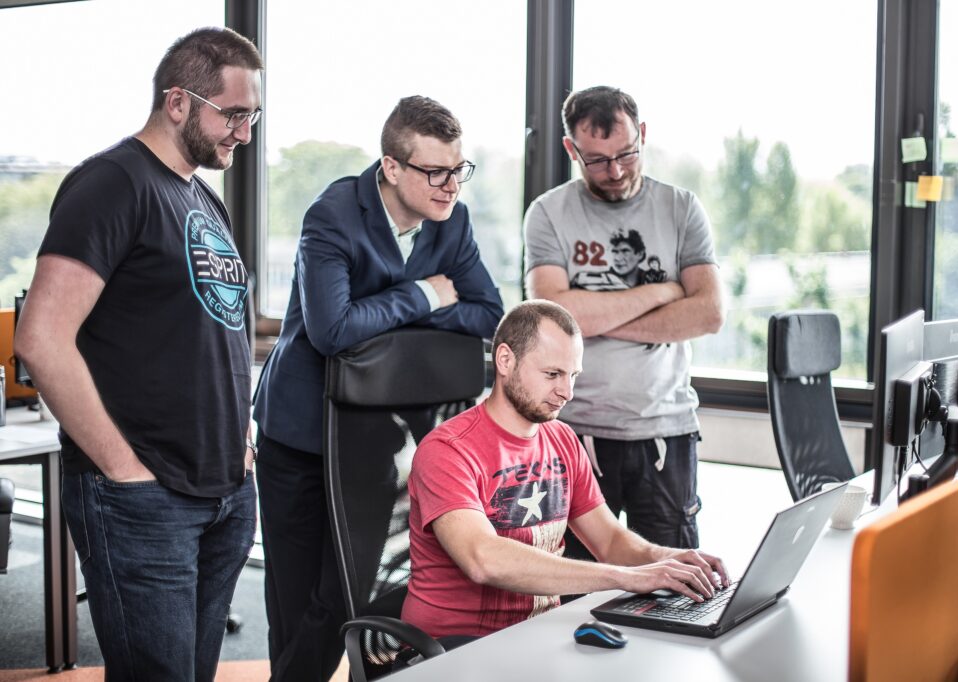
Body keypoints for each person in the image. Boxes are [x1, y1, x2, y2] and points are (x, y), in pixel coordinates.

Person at [14, 27, 263, 681]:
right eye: (233, 114)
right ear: (177, 102)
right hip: (144, 498)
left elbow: (216, 331)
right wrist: (123, 469)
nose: (244, 132)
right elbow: (41, 337)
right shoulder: (111, 183)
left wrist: (239, 448)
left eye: (253, 116)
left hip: (223, 491)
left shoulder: (202, 198)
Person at [252, 95, 504, 680]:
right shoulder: (333, 214)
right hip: (300, 431)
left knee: (349, 591)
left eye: (458, 170)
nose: (450, 186)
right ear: (391, 166)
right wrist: (424, 295)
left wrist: (384, 316)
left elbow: (488, 313)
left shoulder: (452, 220)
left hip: (379, 438)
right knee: (295, 599)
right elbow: (332, 331)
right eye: (435, 172)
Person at [402, 301, 729, 640]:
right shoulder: (448, 449)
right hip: (456, 649)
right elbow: (482, 559)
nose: (567, 392)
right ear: (505, 360)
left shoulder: (562, 439)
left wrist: (668, 560)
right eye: (552, 374)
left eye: (573, 375)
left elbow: (610, 541)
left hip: (538, 637)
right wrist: (627, 578)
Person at [524, 85, 725, 557]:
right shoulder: (548, 213)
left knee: (674, 581)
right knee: (574, 583)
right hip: (575, 432)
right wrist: (662, 293)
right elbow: (552, 316)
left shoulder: (681, 208)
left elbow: (709, 313)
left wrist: (591, 316)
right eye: (596, 160)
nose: (615, 171)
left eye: (626, 154)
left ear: (643, 135)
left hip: (665, 429)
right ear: (571, 149)